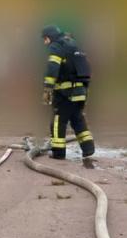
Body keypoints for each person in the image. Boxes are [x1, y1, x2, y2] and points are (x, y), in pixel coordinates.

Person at [40, 24, 96, 167]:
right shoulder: (73, 44)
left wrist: (47, 88)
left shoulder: (56, 46)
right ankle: (88, 149)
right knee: (77, 119)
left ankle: (58, 153)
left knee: (58, 121)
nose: (45, 43)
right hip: (81, 92)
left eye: (45, 39)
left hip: (66, 94)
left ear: (49, 37)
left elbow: (52, 67)